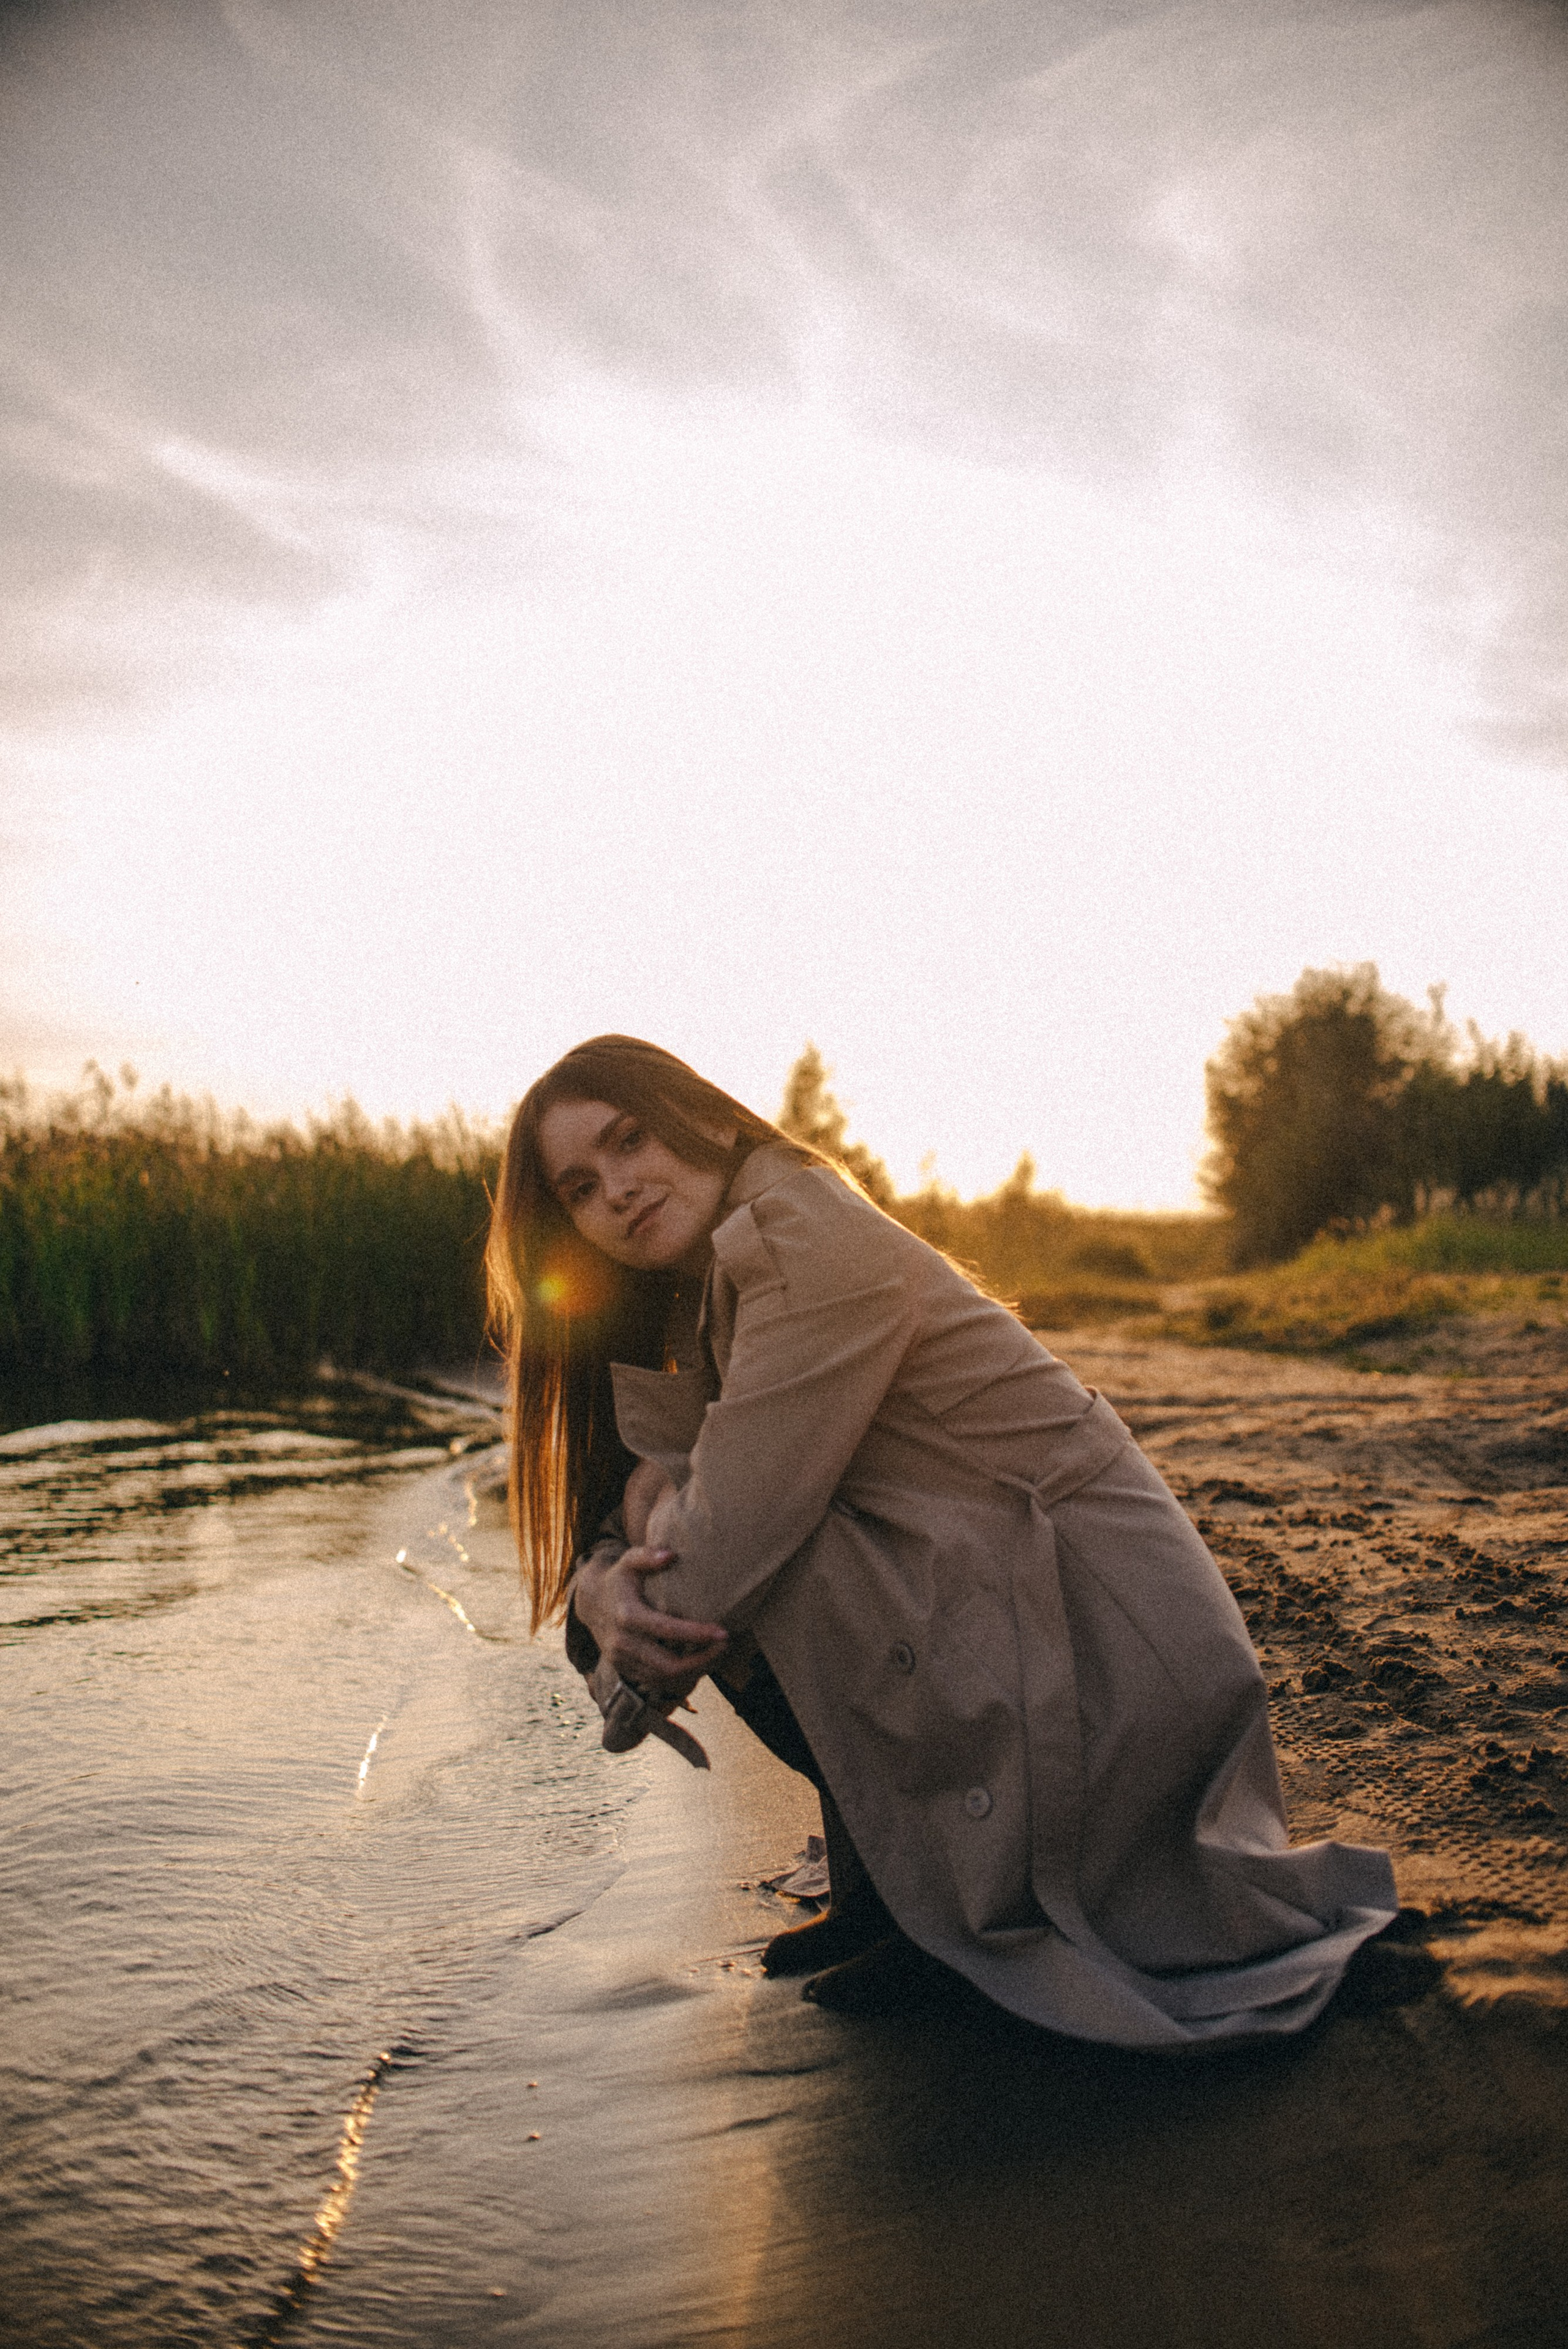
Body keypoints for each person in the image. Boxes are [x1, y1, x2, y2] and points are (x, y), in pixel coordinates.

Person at [484, 1036, 1406, 2046]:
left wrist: (624, 1624)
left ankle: (930, 1921)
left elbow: (726, 1543)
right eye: (580, 1187)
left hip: (1113, 1664)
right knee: (701, 1516)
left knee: (752, 1553)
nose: (616, 1190)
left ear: (698, 1113)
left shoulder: (798, 1237)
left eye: (629, 1140)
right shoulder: (731, 1257)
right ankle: (881, 1893)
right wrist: (601, 1579)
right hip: (1038, 1606)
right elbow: (671, 1491)